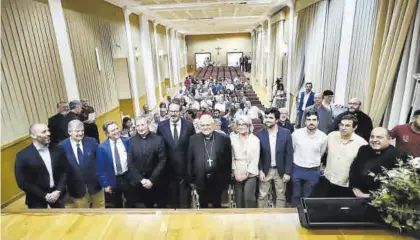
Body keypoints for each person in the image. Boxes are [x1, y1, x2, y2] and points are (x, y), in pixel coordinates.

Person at [15, 123, 67, 208]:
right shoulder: (22, 156)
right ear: (33, 136)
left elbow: (64, 171)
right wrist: (44, 195)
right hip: (36, 201)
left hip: (58, 198)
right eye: (44, 132)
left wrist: (58, 190)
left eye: (48, 130)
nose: (48, 133)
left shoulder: (58, 150)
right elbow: (22, 181)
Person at [157, 101, 195, 208]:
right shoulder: (161, 126)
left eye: (176, 111)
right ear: (168, 112)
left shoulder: (189, 125)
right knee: (171, 203)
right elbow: (159, 147)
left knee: (185, 204)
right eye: (171, 111)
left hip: (185, 172)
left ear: (180, 112)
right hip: (168, 172)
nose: (173, 114)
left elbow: (192, 147)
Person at [187, 115, 232, 208]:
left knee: (217, 206)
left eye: (208, 125)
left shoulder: (224, 139)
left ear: (214, 125)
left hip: (218, 180)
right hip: (200, 180)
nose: (205, 127)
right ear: (199, 126)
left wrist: (226, 180)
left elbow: (228, 161)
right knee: (203, 206)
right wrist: (191, 179)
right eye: (202, 125)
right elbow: (190, 160)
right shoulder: (193, 139)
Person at [319, 114, 368, 197]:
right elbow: (324, 152)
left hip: (346, 185)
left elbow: (362, 167)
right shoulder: (331, 136)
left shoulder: (361, 144)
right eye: (341, 125)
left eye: (347, 126)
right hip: (328, 180)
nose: (343, 128)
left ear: (354, 127)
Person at [349, 127, 406, 198]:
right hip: (357, 196)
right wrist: (354, 187)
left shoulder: (399, 156)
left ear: (390, 140)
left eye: (379, 137)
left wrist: (370, 195)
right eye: (372, 137)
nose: (374, 140)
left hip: (381, 200)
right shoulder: (363, 149)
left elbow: (398, 186)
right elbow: (354, 169)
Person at [60, 120, 103, 208]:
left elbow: (101, 162)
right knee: (84, 214)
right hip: (76, 189)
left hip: (95, 186)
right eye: (77, 131)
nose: (80, 133)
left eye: (82, 130)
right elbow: (61, 171)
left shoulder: (92, 142)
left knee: (101, 210)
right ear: (69, 132)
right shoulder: (61, 147)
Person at [256, 108, 293, 208]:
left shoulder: (286, 133)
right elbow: (258, 155)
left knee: (281, 196)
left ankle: (279, 218)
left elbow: (289, 154)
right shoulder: (259, 134)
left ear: (277, 120)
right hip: (265, 170)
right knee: (262, 195)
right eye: (266, 117)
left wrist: (288, 172)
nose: (267, 120)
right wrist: (260, 170)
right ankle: (262, 217)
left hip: (280, 170)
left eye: (270, 118)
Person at [128, 116, 167, 208]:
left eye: (142, 125)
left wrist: (151, 180)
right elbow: (130, 162)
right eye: (138, 126)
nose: (140, 128)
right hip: (140, 183)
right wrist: (141, 180)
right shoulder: (132, 141)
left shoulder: (158, 139)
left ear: (148, 125)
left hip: (156, 181)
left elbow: (162, 161)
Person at [291, 111, 327, 207]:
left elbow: (321, 152)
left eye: (314, 120)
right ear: (305, 121)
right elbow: (292, 149)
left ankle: (305, 217)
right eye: (309, 120)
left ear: (318, 122)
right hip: (297, 168)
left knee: (308, 197)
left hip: (313, 170)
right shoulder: (296, 134)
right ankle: (295, 216)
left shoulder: (323, 137)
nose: (311, 122)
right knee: (296, 195)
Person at [96, 121, 133, 208]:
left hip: (128, 177)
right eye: (113, 130)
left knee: (132, 202)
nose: (116, 131)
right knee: (117, 205)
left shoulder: (128, 141)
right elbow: (101, 168)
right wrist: (105, 185)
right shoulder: (102, 147)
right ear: (107, 134)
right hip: (113, 179)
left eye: (117, 128)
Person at [231, 116, 259, 208]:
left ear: (249, 126)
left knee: (249, 198)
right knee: (238, 200)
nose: (241, 126)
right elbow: (231, 157)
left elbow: (255, 159)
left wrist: (247, 173)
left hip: (250, 173)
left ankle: (250, 220)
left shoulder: (255, 139)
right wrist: (235, 173)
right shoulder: (232, 138)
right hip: (237, 173)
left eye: (244, 124)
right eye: (239, 124)